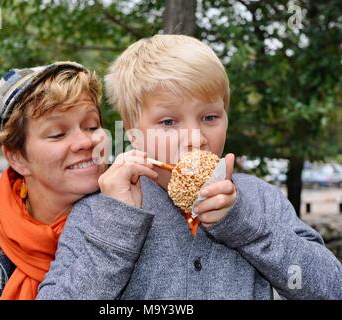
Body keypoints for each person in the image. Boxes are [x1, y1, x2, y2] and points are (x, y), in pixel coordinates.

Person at [37, 35, 342, 299]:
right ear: (133, 134)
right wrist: (118, 224)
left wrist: (242, 224)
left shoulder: (262, 200)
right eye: (168, 122)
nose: (196, 139)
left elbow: (331, 288)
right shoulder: (100, 211)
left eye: (210, 117)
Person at [0, 61, 106, 300]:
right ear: (17, 157)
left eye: (92, 126)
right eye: (57, 134)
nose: (86, 142)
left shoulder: (133, 229)